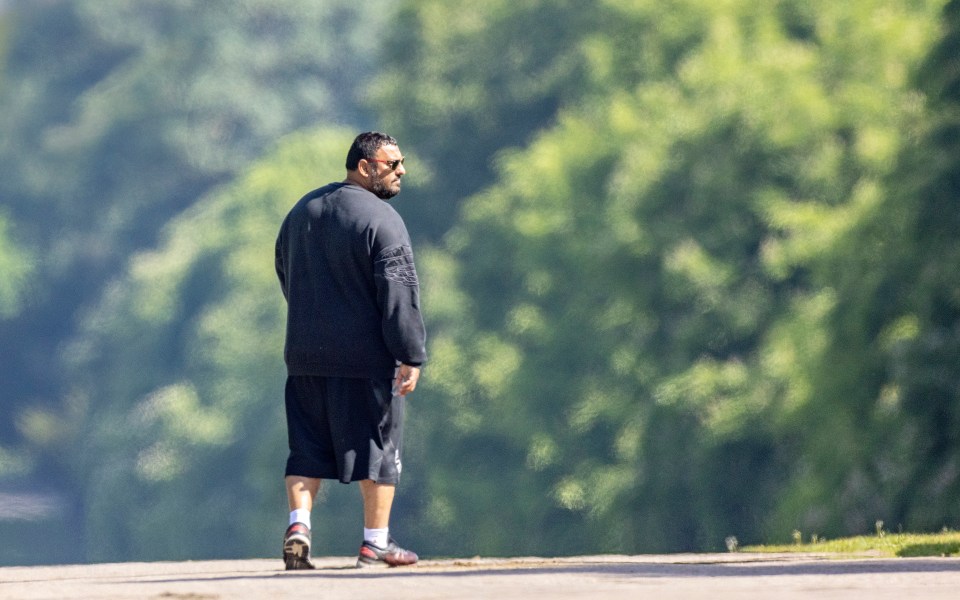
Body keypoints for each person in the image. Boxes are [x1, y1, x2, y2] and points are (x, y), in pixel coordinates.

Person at [274, 132, 427, 570]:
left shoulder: (302, 211)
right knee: (379, 449)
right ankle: (375, 543)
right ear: (365, 166)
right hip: (365, 362)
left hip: (304, 358)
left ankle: (299, 525)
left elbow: (286, 272)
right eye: (393, 163)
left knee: (305, 449)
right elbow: (399, 294)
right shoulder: (382, 220)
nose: (401, 171)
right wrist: (410, 353)